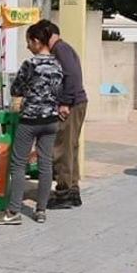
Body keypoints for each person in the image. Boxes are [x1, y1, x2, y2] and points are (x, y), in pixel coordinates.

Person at [0, 24, 66, 226]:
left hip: (29, 120)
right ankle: (41, 210)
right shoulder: (58, 65)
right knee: (45, 164)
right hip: (51, 121)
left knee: (18, 164)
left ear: (36, 41)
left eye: (29, 42)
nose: (27, 46)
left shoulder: (30, 64)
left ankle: (14, 211)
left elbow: (16, 88)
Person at [40, 20, 88, 210]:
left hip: (72, 105)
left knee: (62, 148)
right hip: (76, 103)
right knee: (70, 147)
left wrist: (65, 102)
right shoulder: (63, 48)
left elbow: (72, 76)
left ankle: (64, 191)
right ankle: (72, 189)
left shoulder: (60, 49)